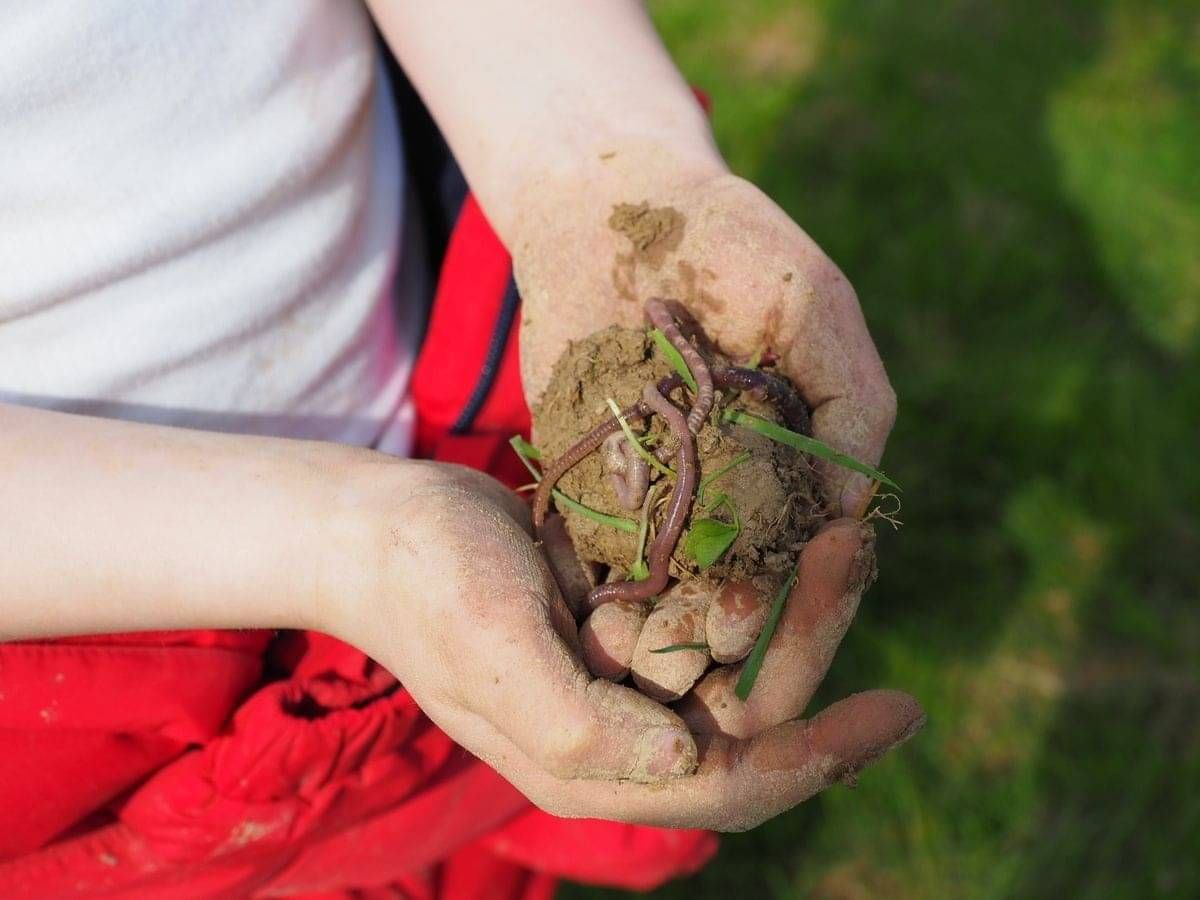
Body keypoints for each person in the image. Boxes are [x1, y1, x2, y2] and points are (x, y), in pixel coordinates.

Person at [0, 1, 923, 896]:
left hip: (432, 394)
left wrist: (601, 156)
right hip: (99, 681)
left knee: (507, 740)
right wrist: (330, 543)